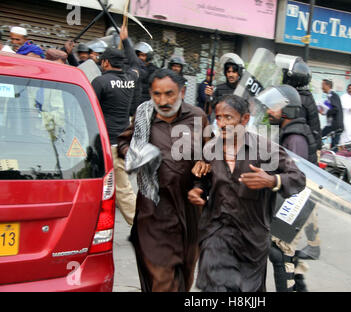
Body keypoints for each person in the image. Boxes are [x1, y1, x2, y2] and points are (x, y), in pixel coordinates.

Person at [188, 95, 306, 292]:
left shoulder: (266, 149)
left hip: (252, 238)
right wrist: (198, 189)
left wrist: (272, 180)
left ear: (244, 120)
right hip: (217, 232)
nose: (222, 124)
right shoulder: (210, 149)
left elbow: (298, 178)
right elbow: (206, 182)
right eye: (218, 118)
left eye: (228, 118)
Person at [117, 69, 210, 292]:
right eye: (157, 94)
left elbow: (211, 151)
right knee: (161, 278)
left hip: (189, 210)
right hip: (153, 209)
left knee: (184, 276)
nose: (163, 100)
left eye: (169, 94)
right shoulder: (144, 116)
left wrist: (206, 163)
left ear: (182, 92)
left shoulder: (197, 116)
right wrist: (135, 154)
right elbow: (123, 143)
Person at [258, 85, 316, 292]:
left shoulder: (295, 138)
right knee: (282, 254)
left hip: (295, 204)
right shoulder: (289, 132)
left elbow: (295, 178)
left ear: (288, 109)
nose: (268, 111)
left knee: (279, 254)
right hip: (295, 203)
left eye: (273, 107)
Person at [91, 48, 138, 226]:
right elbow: (135, 65)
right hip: (122, 142)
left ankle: (143, 227)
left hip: (106, 144)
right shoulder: (130, 80)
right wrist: (126, 40)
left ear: (106, 63)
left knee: (122, 189)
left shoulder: (100, 82)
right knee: (106, 187)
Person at [280, 59, 322, 261]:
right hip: (310, 153)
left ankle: (303, 245)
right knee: (307, 202)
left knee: (303, 201)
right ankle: (313, 244)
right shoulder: (308, 97)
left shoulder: (298, 99)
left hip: (302, 156)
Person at [119, 25, 158, 116]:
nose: (140, 58)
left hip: (143, 109)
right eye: (138, 55)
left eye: (143, 55)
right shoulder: (129, 68)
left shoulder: (152, 71)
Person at [205, 54, 244, 120]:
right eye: (228, 72)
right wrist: (208, 97)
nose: (230, 75)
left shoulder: (244, 90)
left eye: (234, 72)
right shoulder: (219, 89)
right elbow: (207, 112)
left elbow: (252, 113)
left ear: (239, 73)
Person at [320, 79, 344, 151]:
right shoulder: (330, 96)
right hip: (333, 125)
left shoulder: (332, 95)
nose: (321, 87)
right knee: (334, 146)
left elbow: (336, 109)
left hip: (335, 126)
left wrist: (325, 112)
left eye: (323, 85)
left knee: (319, 136)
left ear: (328, 86)